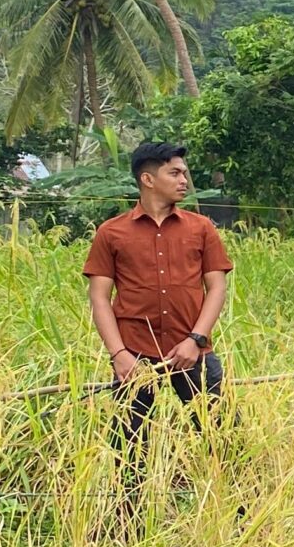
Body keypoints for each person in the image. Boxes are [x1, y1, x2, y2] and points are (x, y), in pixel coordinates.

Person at [85, 142, 233, 466]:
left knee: (219, 443)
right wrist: (119, 355)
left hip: (194, 356)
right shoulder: (111, 233)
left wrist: (195, 340)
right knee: (130, 453)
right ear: (148, 180)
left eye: (184, 173)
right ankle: (131, 515)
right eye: (175, 173)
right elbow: (99, 297)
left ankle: (235, 514)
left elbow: (217, 287)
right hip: (134, 359)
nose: (184, 180)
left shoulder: (202, 228)